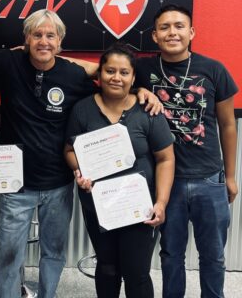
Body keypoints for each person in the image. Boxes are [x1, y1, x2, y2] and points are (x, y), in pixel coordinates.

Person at [0, 9, 161, 298]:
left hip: (58, 184)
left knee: (53, 252)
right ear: (26, 39)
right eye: (37, 35)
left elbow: (110, 75)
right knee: (8, 252)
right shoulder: (8, 62)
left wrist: (143, 90)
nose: (44, 41)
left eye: (51, 36)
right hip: (15, 184)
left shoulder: (72, 73)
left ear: (60, 42)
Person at [134, 4, 238, 298]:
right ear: (154, 36)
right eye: (164, 27)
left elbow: (228, 125)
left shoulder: (214, 69)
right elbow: (101, 71)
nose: (172, 32)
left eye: (179, 26)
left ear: (191, 32)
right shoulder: (142, 69)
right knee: (171, 254)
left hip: (209, 178)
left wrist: (230, 176)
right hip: (168, 182)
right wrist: (138, 90)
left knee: (214, 256)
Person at [65, 43, 175, 298]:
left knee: (136, 272)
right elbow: (70, 151)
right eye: (110, 71)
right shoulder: (83, 109)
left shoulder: (148, 110)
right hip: (99, 206)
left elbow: (166, 159)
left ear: (133, 77)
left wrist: (161, 202)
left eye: (124, 72)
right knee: (107, 268)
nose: (116, 77)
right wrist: (79, 171)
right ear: (99, 74)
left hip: (139, 207)